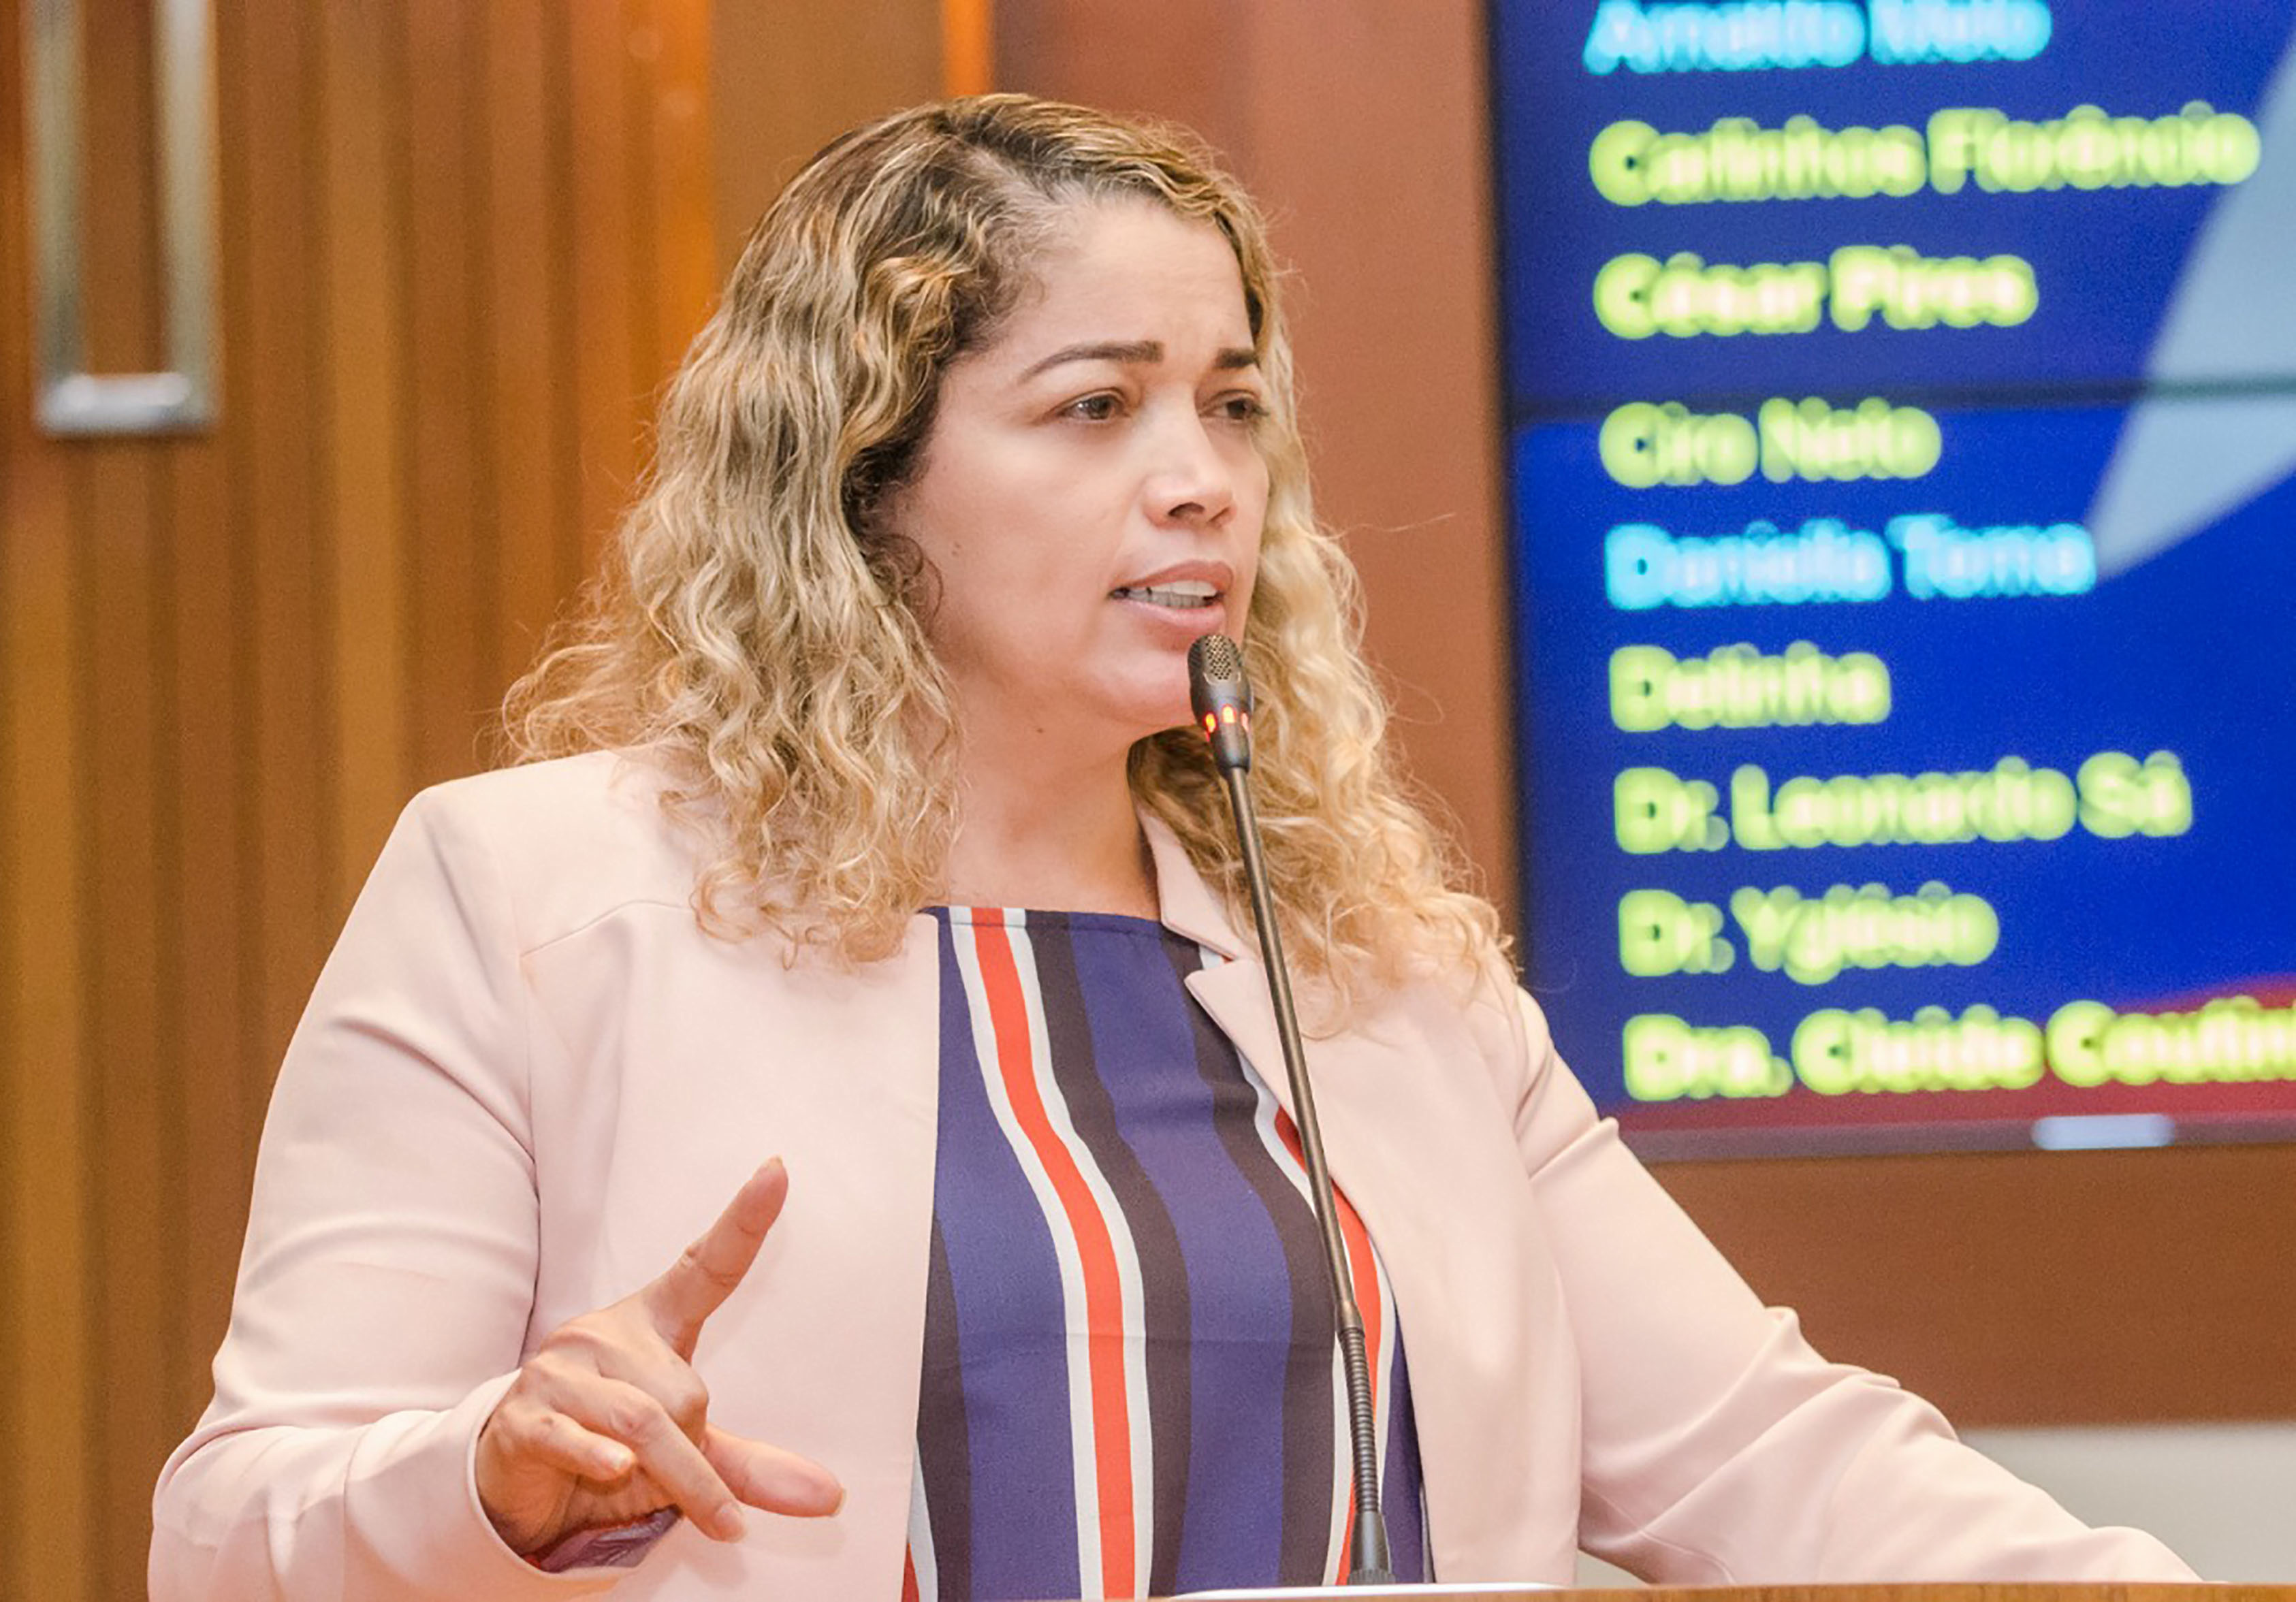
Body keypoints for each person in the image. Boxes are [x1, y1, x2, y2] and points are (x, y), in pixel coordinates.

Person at [150, 95, 2197, 1601]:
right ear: (866, 485)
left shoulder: (1373, 963)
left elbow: (1753, 1449)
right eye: (1095, 407)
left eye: (1227, 405)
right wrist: (490, 1476)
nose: (1200, 481)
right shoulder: (531, 898)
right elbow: (231, 1535)